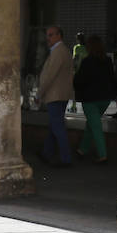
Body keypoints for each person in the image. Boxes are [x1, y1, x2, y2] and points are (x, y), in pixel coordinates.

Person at [73, 35, 117, 165]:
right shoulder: (108, 61)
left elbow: (79, 81)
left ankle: (102, 155)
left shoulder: (87, 62)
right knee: (92, 124)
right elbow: (113, 79)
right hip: (104, 99)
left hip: (90, 100)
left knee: (95, 126)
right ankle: (82, 150)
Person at [37, 24, 74, 167]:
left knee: (57, 127)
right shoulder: (60, 51)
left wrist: (40, 93)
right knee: (54, 126)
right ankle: (47, 153)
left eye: (51, 35)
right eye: (47, 35)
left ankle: (66, 158)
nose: (48, 38)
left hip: (55, 95)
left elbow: (50, 76)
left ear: (59, 35)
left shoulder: (59, 51)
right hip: (59, 94)